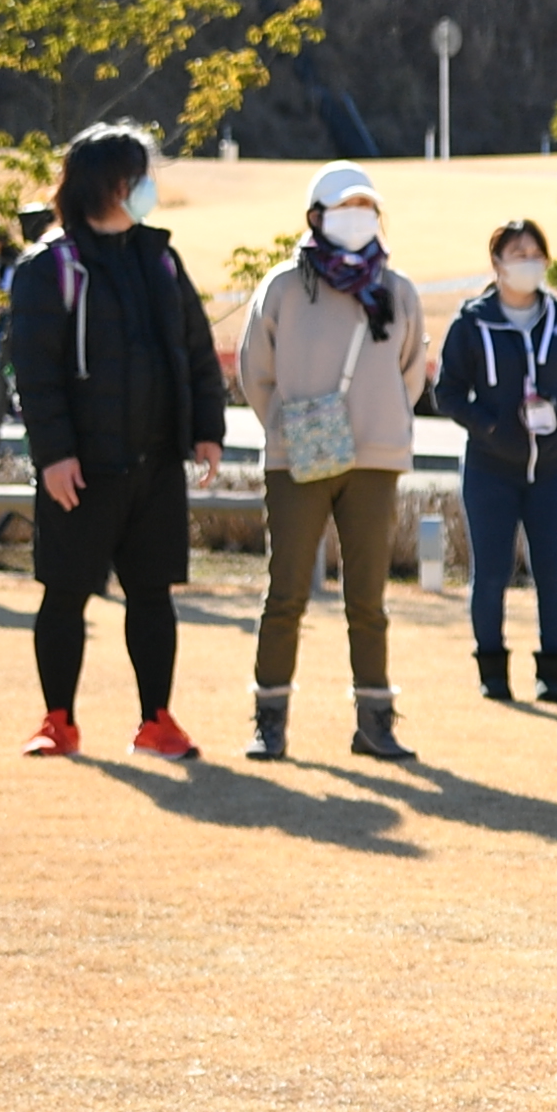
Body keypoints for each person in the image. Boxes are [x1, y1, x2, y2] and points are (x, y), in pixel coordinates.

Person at [6, 126, 226, 763]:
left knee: (152, 595)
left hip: (155, 463)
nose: (148, 188)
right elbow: (34, 371)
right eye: (137, 177)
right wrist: (53, 454)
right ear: (105, 185)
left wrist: (206, 430)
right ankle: (58, 720)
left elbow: (194, 349)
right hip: (81, 467)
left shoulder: (159, 257)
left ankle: (157, 720)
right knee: (66, 593)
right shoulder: (51, 266)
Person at [231, 163, 432, 765]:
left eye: (366, 208)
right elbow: (254, 371)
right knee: (286, 590)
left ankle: (375, 722)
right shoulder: (284, 287)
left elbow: (412, 375)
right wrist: (296, 431)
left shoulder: (396, 291)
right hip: (297, 460)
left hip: (375, 458)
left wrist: (374, 424)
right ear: (315, 215)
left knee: (368, 598)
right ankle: (270, 720)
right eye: (345, 207)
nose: (358, 218)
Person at [429, 218, 557, 704]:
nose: (527, 261)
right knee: (491, 571)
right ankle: (492, 670)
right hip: (490, 468)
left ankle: (552, 673)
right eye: (517, 253)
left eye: (534, 253)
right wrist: (489, 426)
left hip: (551, 470)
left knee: (553, 572)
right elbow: (446, 393)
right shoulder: (472, 321)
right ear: (497, 263)